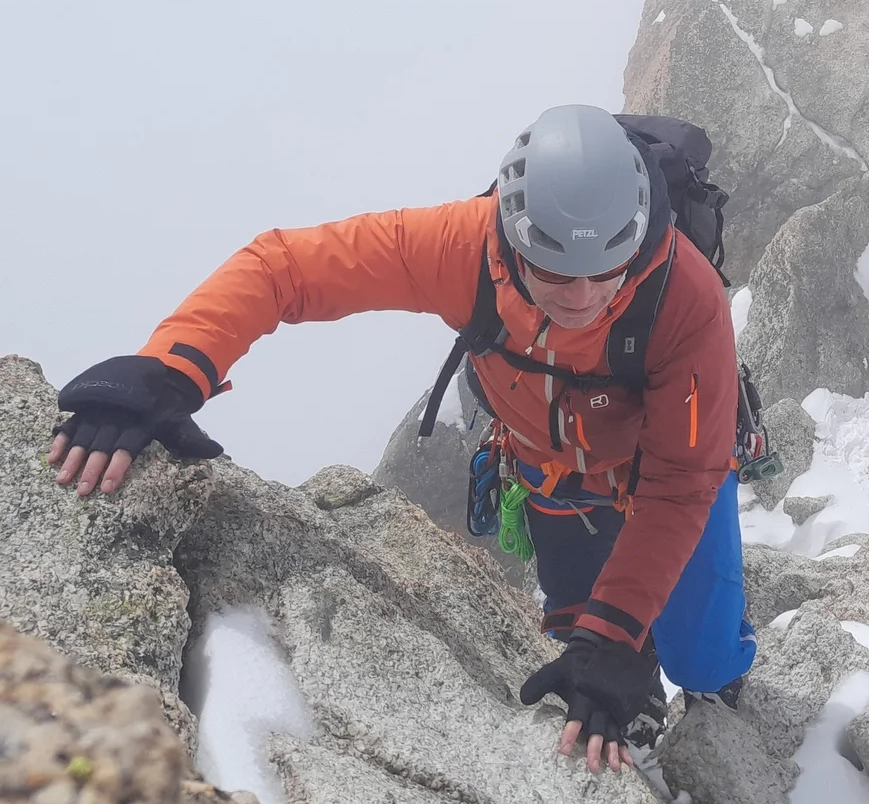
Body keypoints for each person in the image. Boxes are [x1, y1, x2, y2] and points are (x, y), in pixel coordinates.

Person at [46, 104, 752, 775]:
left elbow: (681, 483)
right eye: (554, 270)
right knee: (577, 632)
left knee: (701, 659)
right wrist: (174, 366)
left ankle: (714, 683)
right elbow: (283, 267)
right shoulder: (466, 247)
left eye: (607, 272)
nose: (581, 296)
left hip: (668, 475)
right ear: (512, 234)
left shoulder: (682, 296)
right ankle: (633, 707)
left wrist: (619, 627)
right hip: (550, 473)